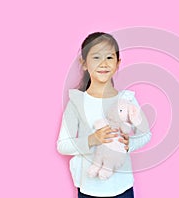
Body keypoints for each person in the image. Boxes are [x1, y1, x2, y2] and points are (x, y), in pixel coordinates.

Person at [57, 32, 152, 198]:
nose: (103, 63)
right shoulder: (77, 102)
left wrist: (129, 144)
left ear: (117, 63)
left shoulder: (127, 99)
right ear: (84, 63)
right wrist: (92, 140)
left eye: (109, 57)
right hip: (89, 189)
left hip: (122, 188)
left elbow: (146, 134)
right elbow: (62, 145)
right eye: (96, 57)